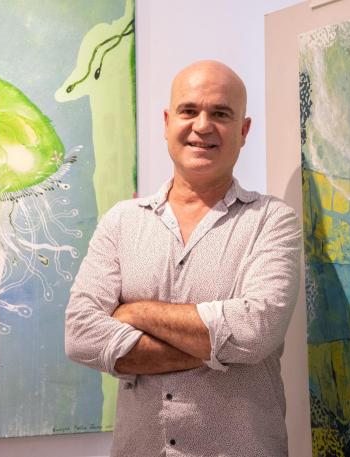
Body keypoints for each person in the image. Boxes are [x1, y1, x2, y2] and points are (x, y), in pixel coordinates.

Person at [65, 60, 301, 456]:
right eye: (189, 110)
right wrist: (214, 346)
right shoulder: (121, 222)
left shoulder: (272, 220)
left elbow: (256, 332)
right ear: (167, 122)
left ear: (243, 131)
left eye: (221, 114)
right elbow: (81, 335)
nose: (202, 126)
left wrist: (135, 312)